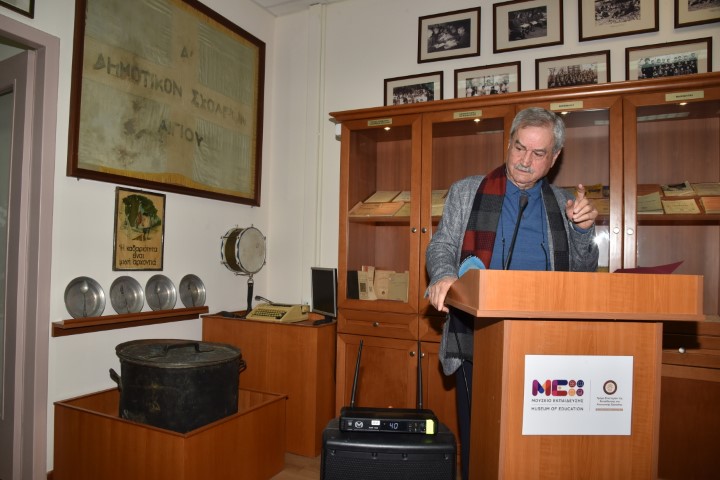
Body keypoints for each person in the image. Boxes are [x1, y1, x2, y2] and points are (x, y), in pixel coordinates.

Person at [425, 107, 599, 480]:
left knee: (535, 448)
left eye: (538, 153)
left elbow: (584, 274)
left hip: (544, 344)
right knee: (479, 443)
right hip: (476, 338)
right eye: (519, 148)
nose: (524, 160)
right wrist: (443, 275)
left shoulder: (564, 204)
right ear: (509, 143)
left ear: (554, 158)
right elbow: (442, 245)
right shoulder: (467, 191)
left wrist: (583, 232)